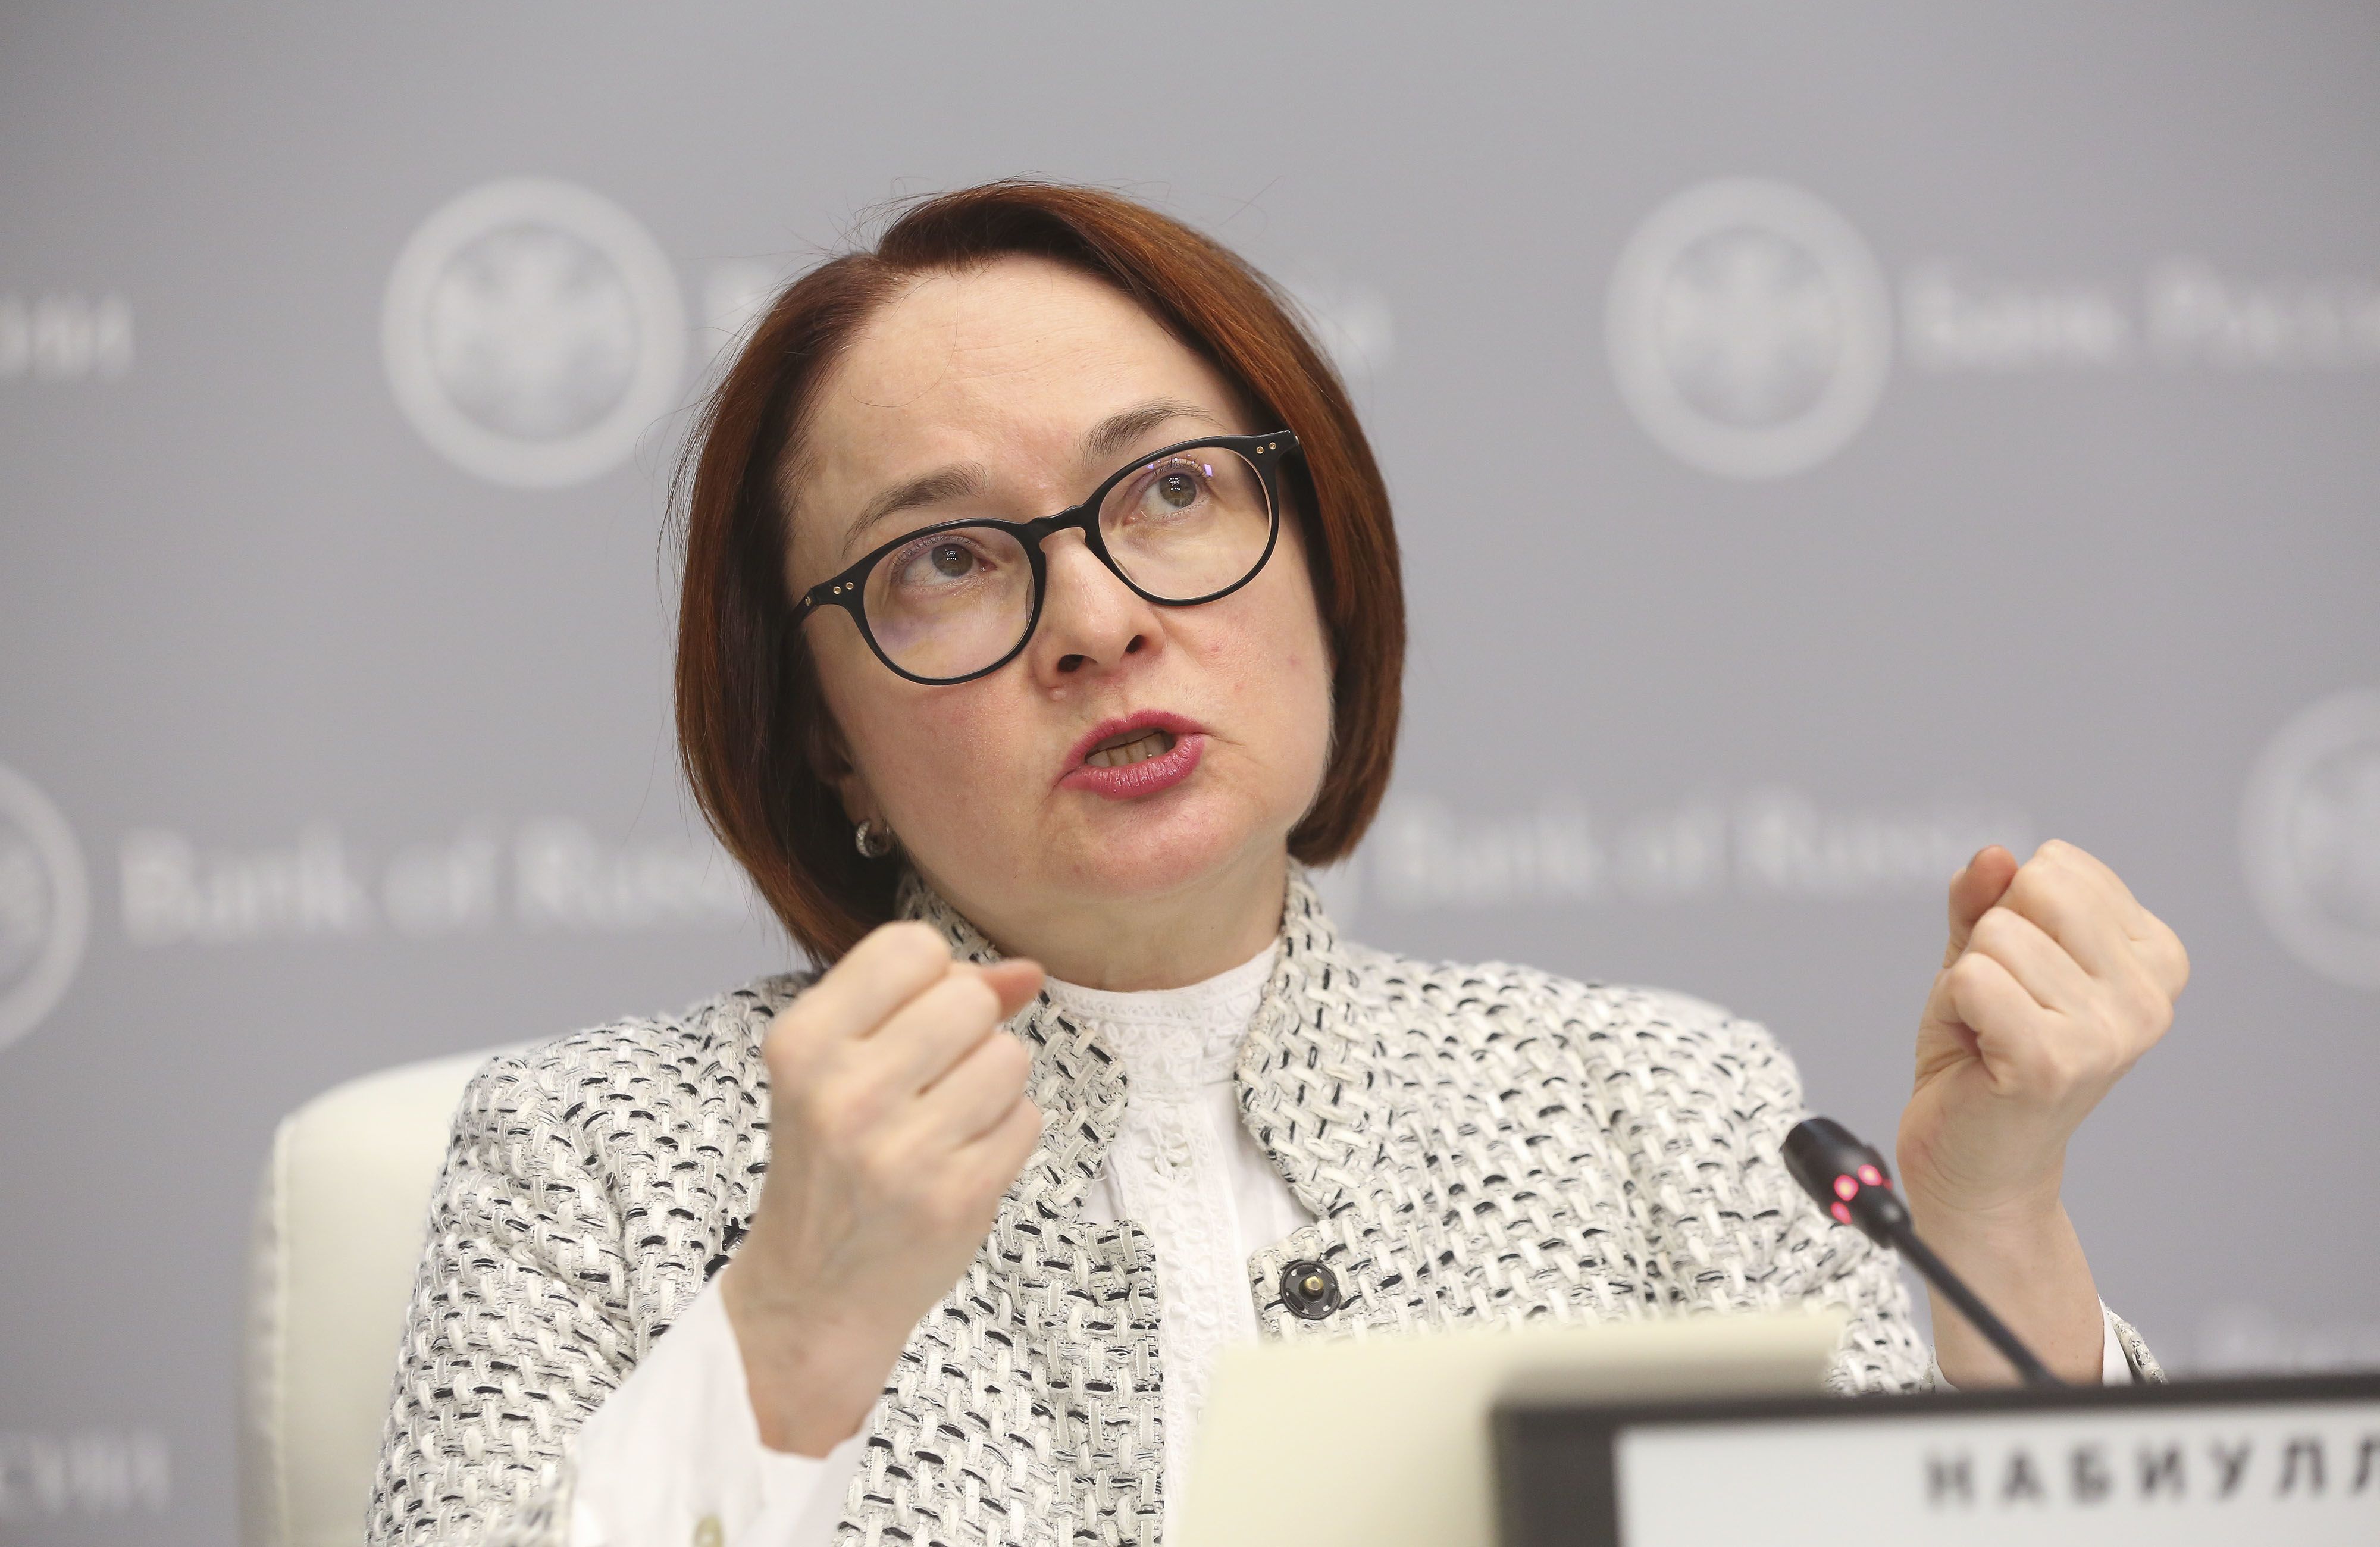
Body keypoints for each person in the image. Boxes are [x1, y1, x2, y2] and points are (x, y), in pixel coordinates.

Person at [367, 181, 2187, 1547]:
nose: (1096, 619)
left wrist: (1996, 1230)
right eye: (946, 560)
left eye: (1172, 491)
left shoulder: (1663, 1106)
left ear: (1324, 557)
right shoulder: (591, 1158)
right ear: (825, 730)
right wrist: (788, 1331)